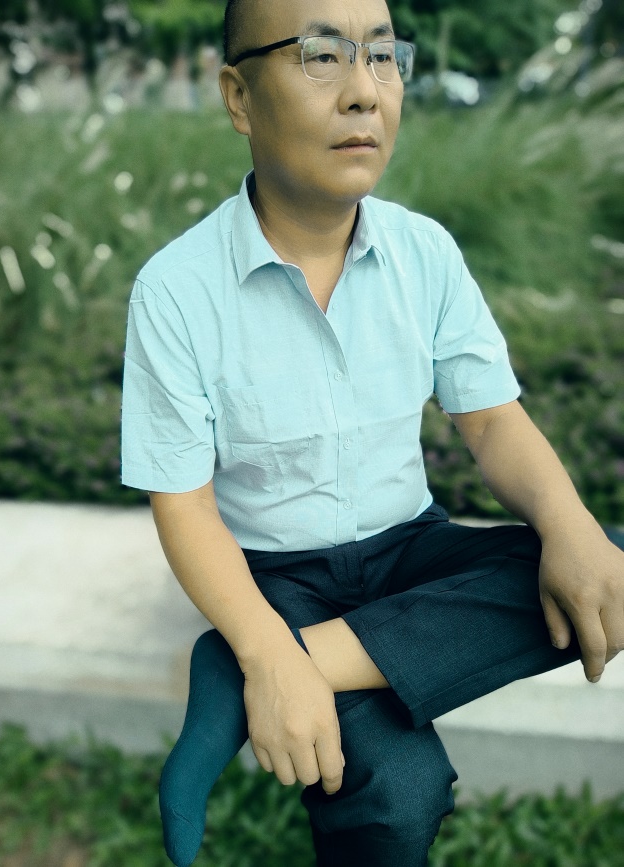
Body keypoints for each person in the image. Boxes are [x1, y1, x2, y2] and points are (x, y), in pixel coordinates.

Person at [120, 0, 624, 864]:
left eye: (384, 56)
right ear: (239, 97)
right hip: (276, 577)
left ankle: (246, 673)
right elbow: (185, 505)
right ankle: (275, 651)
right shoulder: (176, 290)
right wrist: (262, 633)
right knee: (399, 792)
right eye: (321, 56)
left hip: (407, 552)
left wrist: (570, 524)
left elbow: (490, 420)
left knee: (600, 558)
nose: (364, 91)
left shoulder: (425, 253)